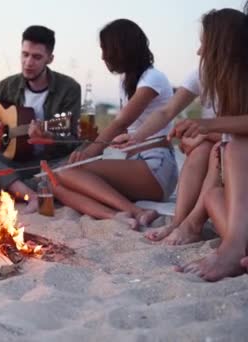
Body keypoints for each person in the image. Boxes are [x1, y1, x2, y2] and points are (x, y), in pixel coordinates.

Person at [51, 19, 178, 229]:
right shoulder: (127, 81)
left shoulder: (153, 78)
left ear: (122, 48)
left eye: (106, 49)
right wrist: (85, 151)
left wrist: (87, 154)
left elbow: (121, 122)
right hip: (135, 164)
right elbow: (121, 131)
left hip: (156, 166)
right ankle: (116, 215)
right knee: (54, 182)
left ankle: (137, 211)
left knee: (67, 171)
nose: (103, 56)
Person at [0, 25, 82, 213]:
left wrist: (47, 136)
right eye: (25, 54)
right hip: (16, 161)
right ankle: (31, 194)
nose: (28, 62)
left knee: (64, 169)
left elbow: (71, 139)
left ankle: (15, 187)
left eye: (37, 57)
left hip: (48, 162)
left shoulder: (69, 88)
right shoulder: (9, 85)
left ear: (50, 59)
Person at [172, 8, 248, 281]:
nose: (199, 51)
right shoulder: (230, 88)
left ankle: (232, 248)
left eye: (204, 42)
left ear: (221, 46)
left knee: (235, 144)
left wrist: (208, 126)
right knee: (212, 196)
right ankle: (237, 248)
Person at [113, 68, 220, 245]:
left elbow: (237, 129)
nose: (199, 51)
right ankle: (179, 223)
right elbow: (166, 112)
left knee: (215, 149)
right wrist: (136, 138)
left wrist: (204, 133)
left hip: (232, 144)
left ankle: (192, 226)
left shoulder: (238, 76)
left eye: (204, 44)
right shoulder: (203, 73)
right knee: (202, 150)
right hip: (215, 140)